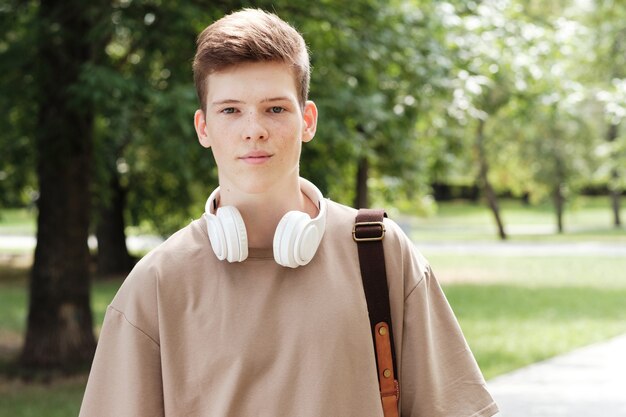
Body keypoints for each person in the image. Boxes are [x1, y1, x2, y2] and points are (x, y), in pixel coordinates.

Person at [79, 8, 498, 417]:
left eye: (275, 108)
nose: (254, 128)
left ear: (308, 120)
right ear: (203, 127)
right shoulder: (156, 283)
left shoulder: (380, 254)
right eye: (230, 110)